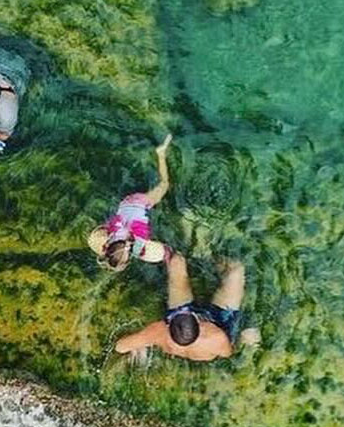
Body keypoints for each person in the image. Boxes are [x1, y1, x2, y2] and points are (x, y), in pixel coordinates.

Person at [113, 252, 248, 363]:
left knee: (176, 261)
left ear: (169, 323)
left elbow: (120, 347)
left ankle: (194, 254)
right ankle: (208, 253)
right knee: (236, 270)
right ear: (199, 324)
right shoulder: (216, 337)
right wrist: (244, 336)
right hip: (218, 321)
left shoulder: (158, 332)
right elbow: (228, 353)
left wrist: (140, 343)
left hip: (175, 340)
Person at [88, 134, 175, 270]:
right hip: (125, 203)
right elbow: (103, 231)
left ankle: (161, 153)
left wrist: (168, 256)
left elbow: (165, 251)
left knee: (165, 184)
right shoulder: (111, 237)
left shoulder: (139, 239)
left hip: (141, 202)